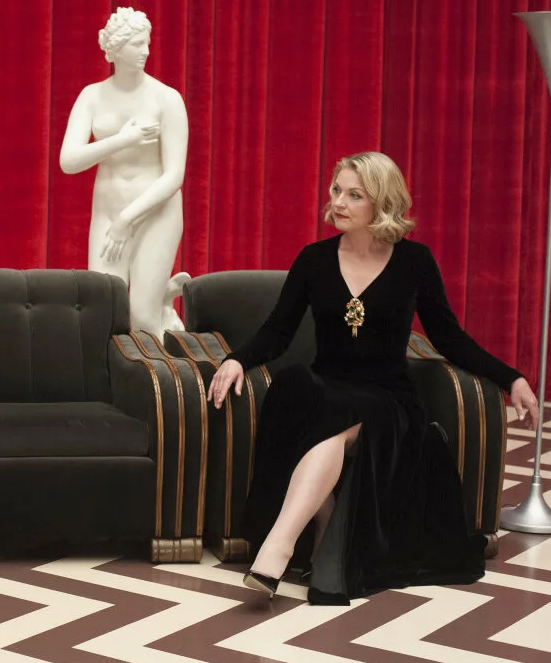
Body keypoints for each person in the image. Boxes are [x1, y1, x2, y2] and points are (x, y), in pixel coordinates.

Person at [208, 151, 539, 605]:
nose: (338, 202)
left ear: (382, 202)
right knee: (299, 389)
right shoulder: (314, 259)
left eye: (354, 195)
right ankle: (316, 536)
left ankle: (278, 549)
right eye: (336, 191)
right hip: (327, 387)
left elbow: (449, 338)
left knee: (333, 422)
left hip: (388, 399)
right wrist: (235, 360)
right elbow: (278, 331)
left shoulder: (414, 262)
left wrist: (512, 378)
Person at [59, 6, 191, 335]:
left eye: (147, 42)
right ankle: (162, 301)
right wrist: (123, 139)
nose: (146, 51)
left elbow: (174, 177)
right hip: (108, 211)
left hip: (155, 213)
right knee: (106, 313)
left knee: (142, 317)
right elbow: (69, 161)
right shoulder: (91, 96)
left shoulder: (167, 99)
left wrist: (126, 219)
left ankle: (159, 313)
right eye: (136, 44)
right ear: (116, 49)